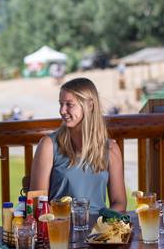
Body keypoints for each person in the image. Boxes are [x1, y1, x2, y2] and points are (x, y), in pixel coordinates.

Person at [30, 77, 127, 213]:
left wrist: (103, 225)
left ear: (89, 105)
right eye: (61, 104)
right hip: (60, 228)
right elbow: (37, 204)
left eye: (69, 104)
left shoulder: (111, 149)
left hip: (99, 230)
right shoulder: (48, 145)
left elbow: (119, 202)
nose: (62, 111)